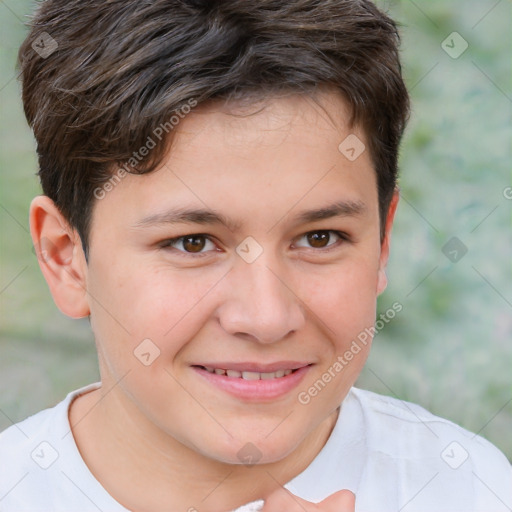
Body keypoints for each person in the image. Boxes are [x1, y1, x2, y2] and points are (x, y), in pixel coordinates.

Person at [1, 1, 510, 511]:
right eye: (192, 243)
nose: (267, 318)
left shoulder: (470, 487)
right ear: (66, 259)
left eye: (320, 238)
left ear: (382, 243)